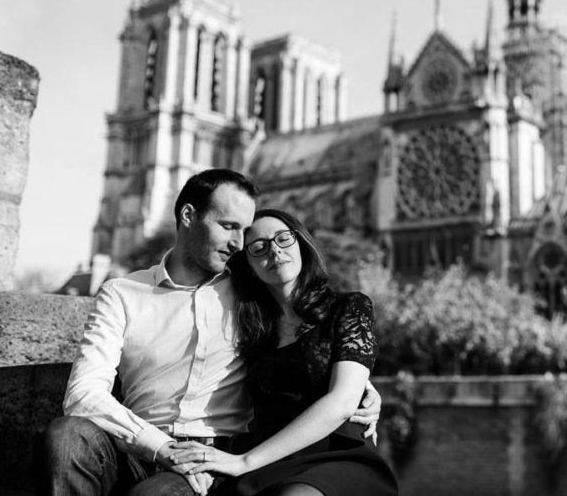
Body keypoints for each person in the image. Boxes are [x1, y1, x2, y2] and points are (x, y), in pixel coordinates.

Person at [41, 169, 381, 496]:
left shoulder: (253, 293)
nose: (239, 243)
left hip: (213, 456)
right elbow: (84, 393)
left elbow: (306, 341)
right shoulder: (122, 292)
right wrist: (163, 448)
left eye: (244, 231)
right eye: (228, 226)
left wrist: (361, 386)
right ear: (189, 215)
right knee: (68, 435)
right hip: (136, 442)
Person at [169, 208, 398, 496]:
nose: (274, 251)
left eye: (283, 238)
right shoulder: (247, 328)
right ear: (248, 264)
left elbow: (342, 401)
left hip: (337, 455)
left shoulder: (348, 307)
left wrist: (243, 462)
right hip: (268, 456)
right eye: (259, 247)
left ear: (301, 243)